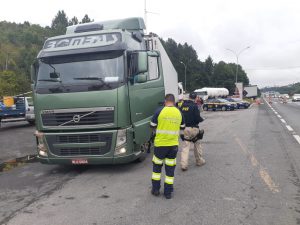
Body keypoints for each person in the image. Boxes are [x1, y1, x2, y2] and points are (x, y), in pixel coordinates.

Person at [150, 93, 185, 199]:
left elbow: (152, 125)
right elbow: (182, 127)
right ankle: (168, 193)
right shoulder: (179, 112)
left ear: (165, 101)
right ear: (174, 102)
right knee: (170, 170)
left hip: (160, 144)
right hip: (173, 145)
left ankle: (155, 190)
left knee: (157, 168)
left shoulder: (159, 111)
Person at [178, 92, 205, 171]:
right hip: (193, 129)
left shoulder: (182, 106)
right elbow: (197, 118)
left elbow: (179, 116)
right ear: (196, 98)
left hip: (184, 129)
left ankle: (184, 164)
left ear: (189, 97)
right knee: (197, 143)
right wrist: (202, 119)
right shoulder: (194, 106)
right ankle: (199, 161)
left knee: (185, 146)